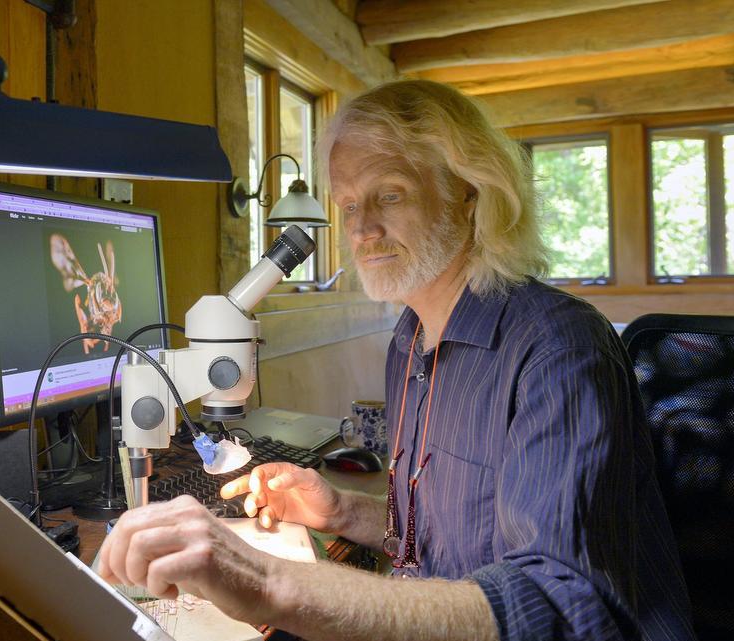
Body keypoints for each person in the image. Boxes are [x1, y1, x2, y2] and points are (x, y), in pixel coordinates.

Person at [97, 79, 696, 641]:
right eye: (350, 206)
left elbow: (562, 605)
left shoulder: (559, 349)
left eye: (388, 194)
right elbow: (450, 540)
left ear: (469, 192)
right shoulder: (410, 339)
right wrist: (345, 512)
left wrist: (269, 582)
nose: (363, 229)